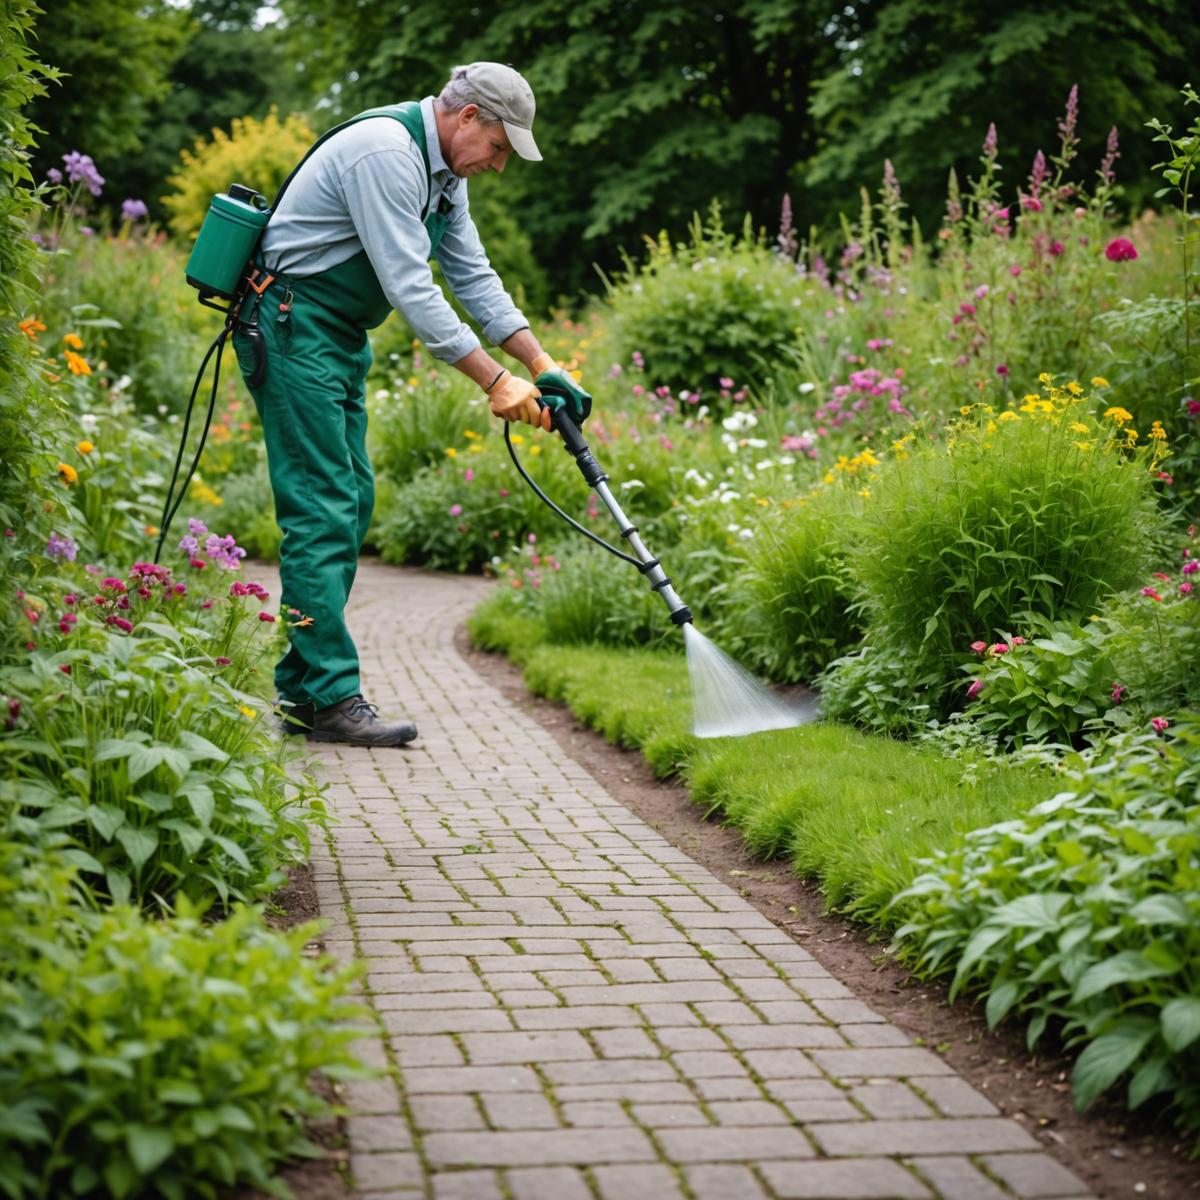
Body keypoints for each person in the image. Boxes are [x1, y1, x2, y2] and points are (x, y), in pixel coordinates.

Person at [232, 62, 589, 748]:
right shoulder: (386, 154)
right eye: (499, 147)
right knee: (322, 507)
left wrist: (540, 363)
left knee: (351, 499)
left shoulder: (443, 175)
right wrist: (495, 381)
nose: (498, 164)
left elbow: (471, 275)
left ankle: (302, 689)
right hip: (291, 325)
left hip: (334, 335)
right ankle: (329, 696)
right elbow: (411, 286)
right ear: (467, 117)